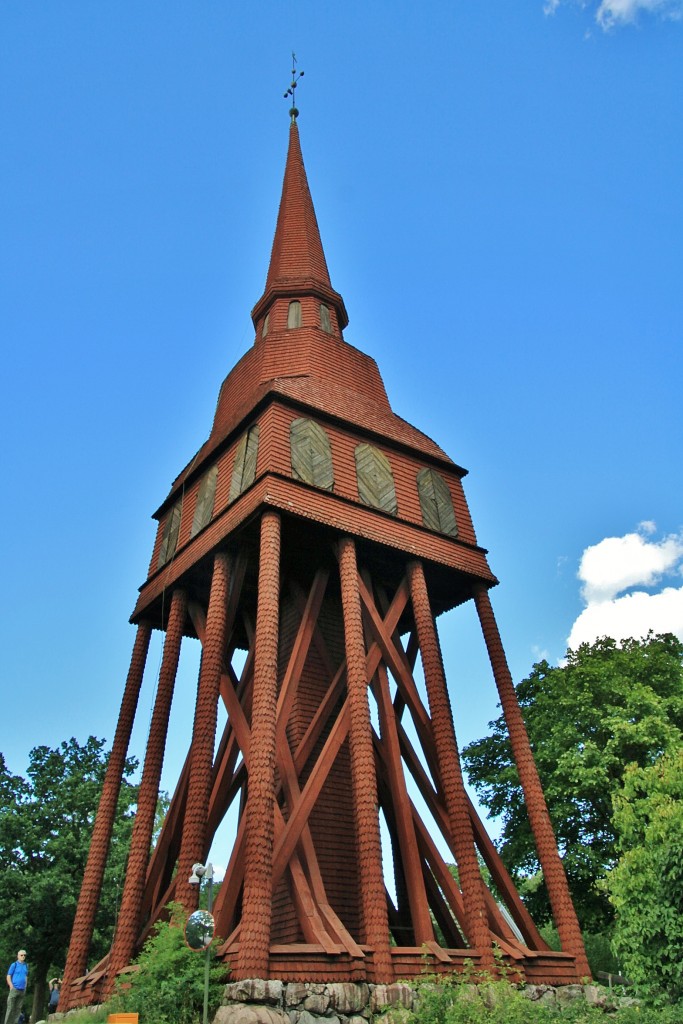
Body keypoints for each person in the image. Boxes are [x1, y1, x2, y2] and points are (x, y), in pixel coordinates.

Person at [5, 950, 28, 1024]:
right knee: (10, 1008)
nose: (23, 956)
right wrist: (11, 985)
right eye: (21, 955)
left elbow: (26, 976)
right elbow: (8, 976)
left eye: (24, 955)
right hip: (14, 989)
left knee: (18, 1009)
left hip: (22, 990)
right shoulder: (14, 965)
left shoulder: (26, 965)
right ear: (18, 956)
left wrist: (25, 986)